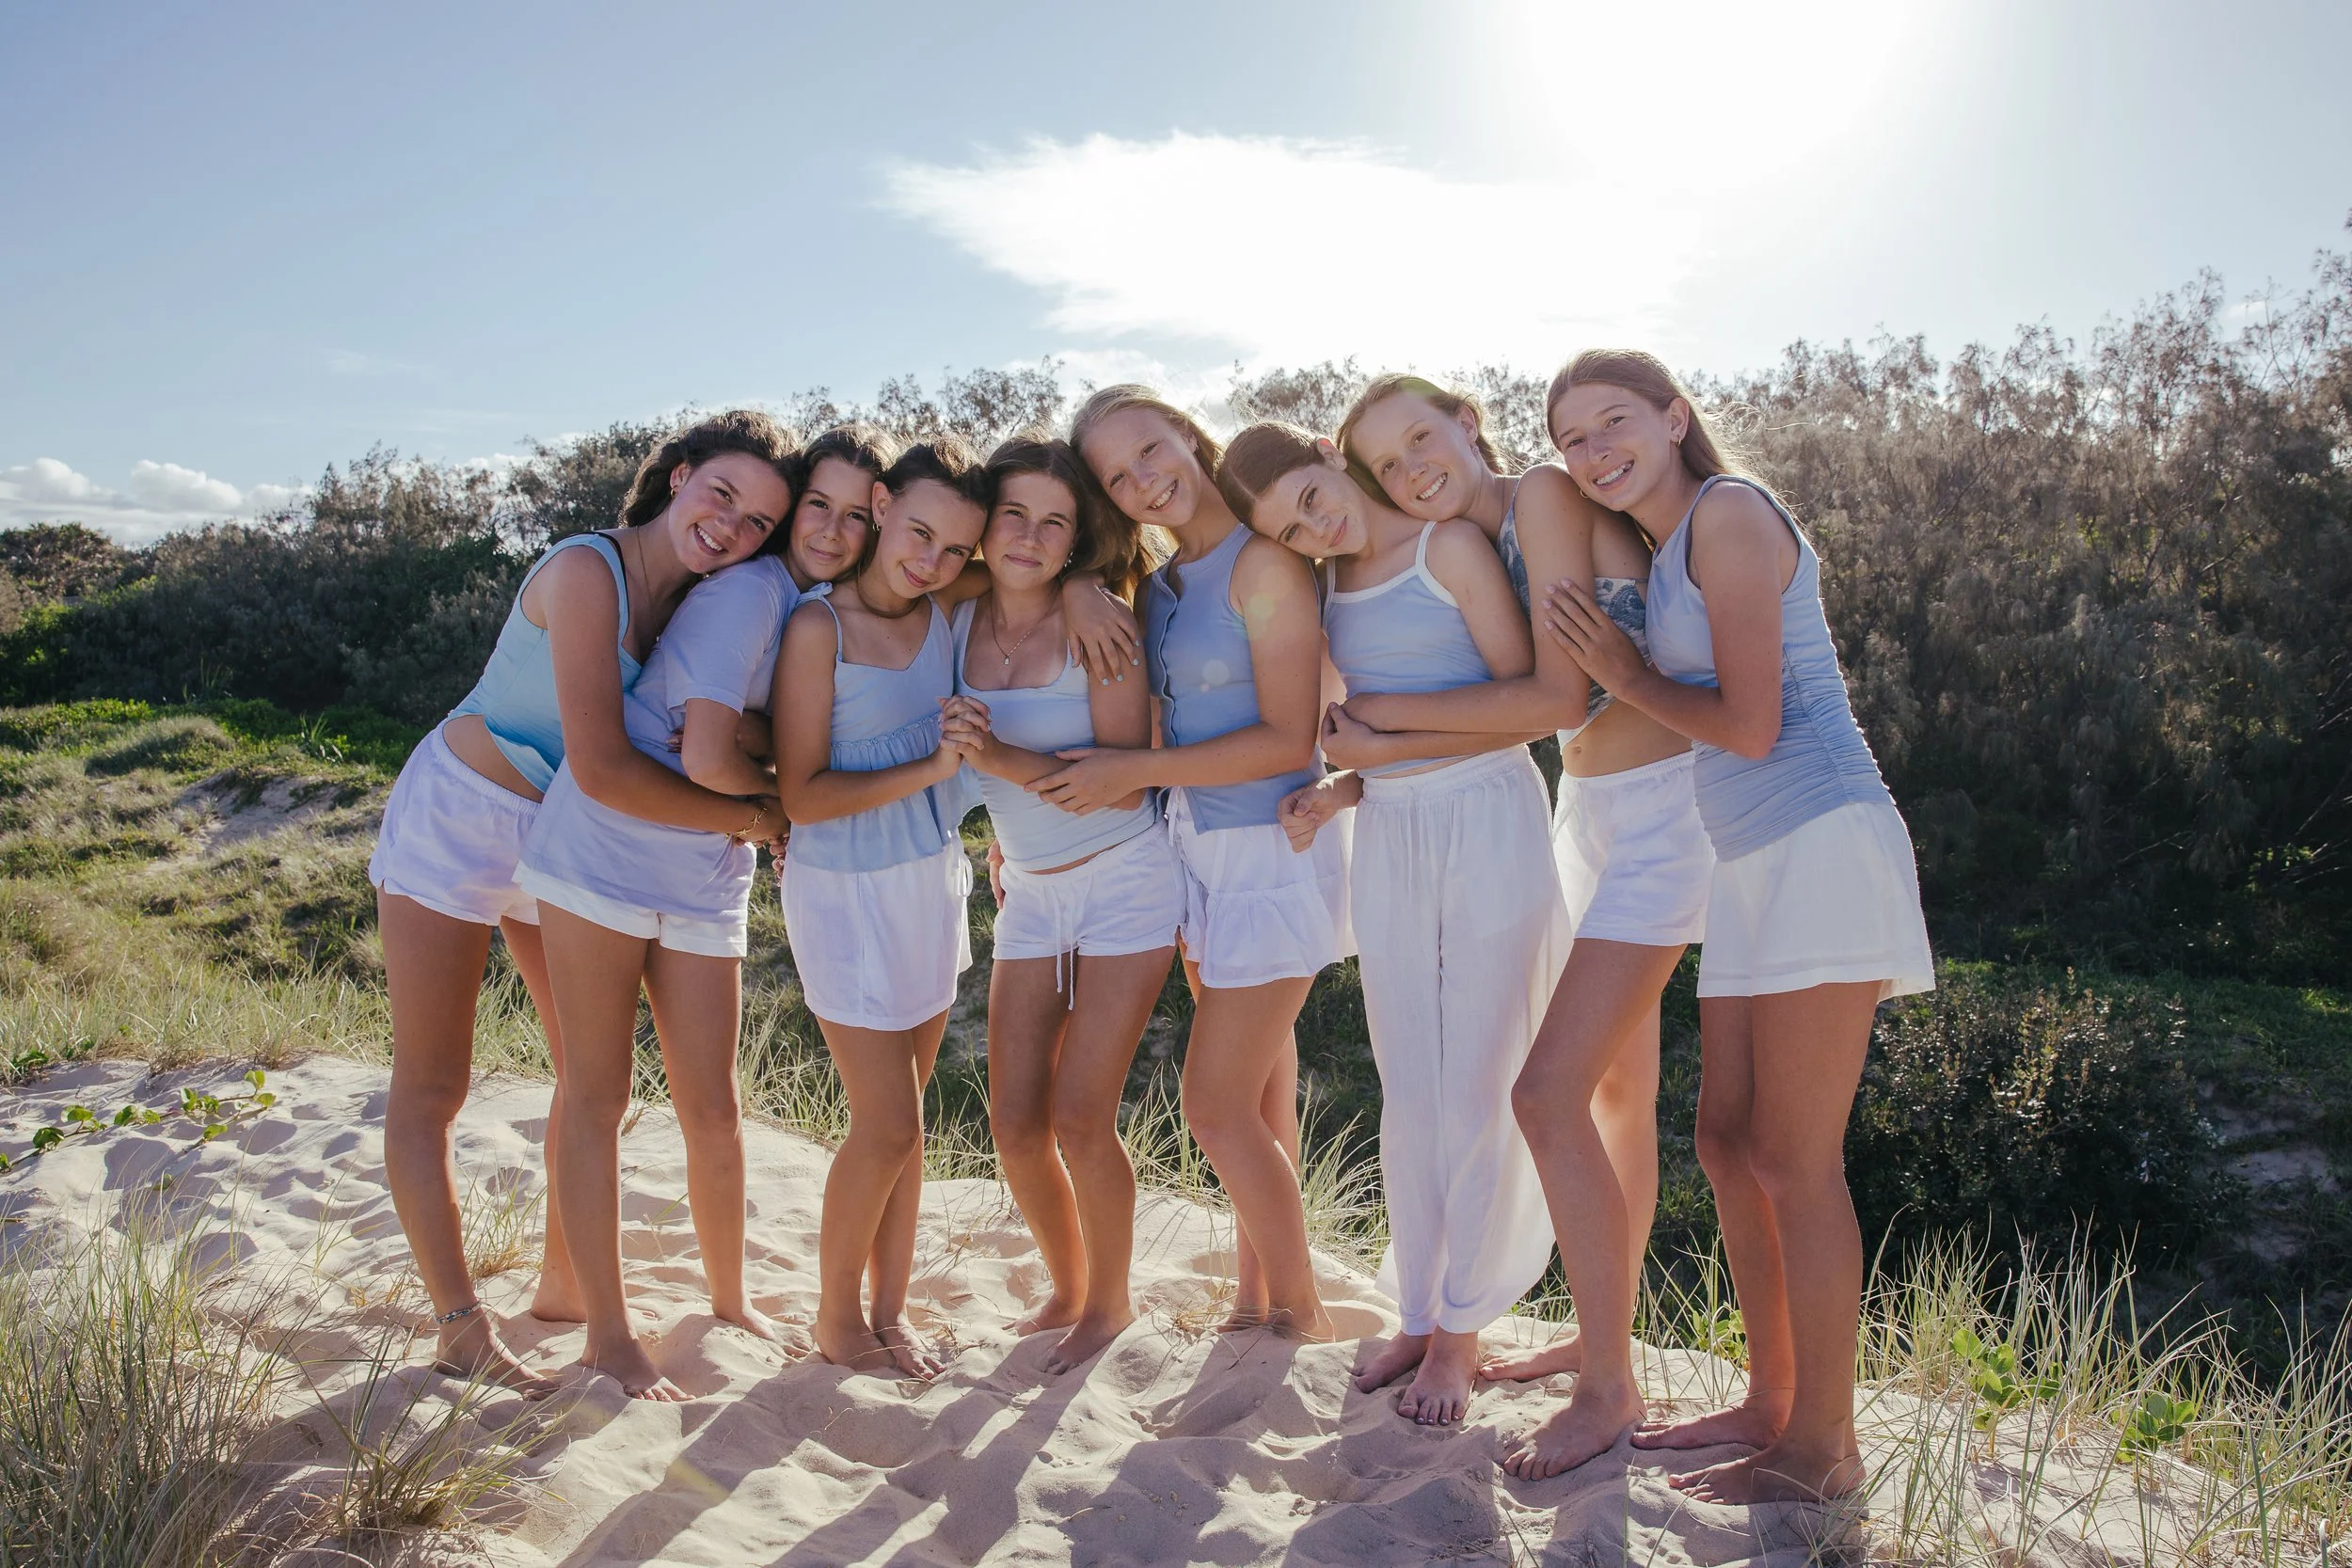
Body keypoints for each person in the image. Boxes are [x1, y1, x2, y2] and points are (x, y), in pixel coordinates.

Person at [1538, 349, 1933, 1502]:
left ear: (1675, 416)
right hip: (1748, 862)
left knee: (1794, 1159)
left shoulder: (1729, 514)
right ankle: (1767, 1400)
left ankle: (1823, 1449)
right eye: (1569, 438)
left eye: (1612, 420)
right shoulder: (1665, 552)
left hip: (1819, 838)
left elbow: (1751, 724)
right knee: (1724, 1141)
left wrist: (1616, 665)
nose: (1592, 450)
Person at [369, 410, 796, 1395]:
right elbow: (604, 765)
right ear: (679, 476)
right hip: (461, 815)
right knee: (434, 1083)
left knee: (585, 1073)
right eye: (721, 494)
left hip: (556, 835)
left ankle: (563, 1283)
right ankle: (458, 1321)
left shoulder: (701, 598)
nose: (732, 527)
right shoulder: (583, 571)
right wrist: (756, 816)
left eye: (758, 521)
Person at [1337, 374, 1714, 1476]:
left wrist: (1383, 722)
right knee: (1614, 1095)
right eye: (1386, 464)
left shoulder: (1541, 493)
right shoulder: (1467, 540)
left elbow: (1555, 701)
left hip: (1660, 809)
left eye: (1422, 437)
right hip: (1585, 808)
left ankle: (1604, 1382)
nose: (1413, 469)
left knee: (1546, 1090)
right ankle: (1609, 1333)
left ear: (1466, 415)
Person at [513, 431, 884, 1399]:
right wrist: (771, 808)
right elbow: (708, 756)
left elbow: (745, 736)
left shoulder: (809, 605)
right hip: (603, 851)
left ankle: (729, 1298)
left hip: (703, 873)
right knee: (596, 1095)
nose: (835, 531)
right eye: (818, 508)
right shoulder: (747, 593)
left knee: (713, 1106)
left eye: (858, 515)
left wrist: (762, 785)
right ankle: (606, 1332)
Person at [1224, 421, 1568, 1426]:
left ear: (1332, 455)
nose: (1313, 523)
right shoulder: (1330, 591)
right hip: (1395, 834)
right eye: (1290, 525)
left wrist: (1382, 736)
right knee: (1410, 1080)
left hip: (1489, 816)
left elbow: (1533, 708)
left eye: (1307, 491)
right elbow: (1371, 741)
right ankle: (1418, 1310)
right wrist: (1337, 792)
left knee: (1480, 1079)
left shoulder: (1445, 546)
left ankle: (1463, 1332)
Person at [1038, 386, 1348, 1341]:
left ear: (1188, 434)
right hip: (1195, 849)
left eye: (1151, 450)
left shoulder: (1265, 563)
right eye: (1117, 475)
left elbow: (1288, 736)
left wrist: (1133, 768)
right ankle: (1257, 1303)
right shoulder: (1162, 584)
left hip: (1270, 846)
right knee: (1257, 1093)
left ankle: (1300, 1313)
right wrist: (1073, 584)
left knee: (1212, 1104)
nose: (1143, 480)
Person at [934, 434, 1179, 1373]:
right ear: (984, 524)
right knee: (1013, 1121)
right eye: (1013, 514)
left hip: (1124, 874)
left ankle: (1108, 1306)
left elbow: (1122, 787)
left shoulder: (1102, 624)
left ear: (1077, 539)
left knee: (1082, 1115)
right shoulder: (953, 618)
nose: (1030, 536)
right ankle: (1069, 1284)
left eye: (1055, 522)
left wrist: (998, 763)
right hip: (1030, 889)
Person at [774, 437, 992, 1378]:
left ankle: (889, 1312)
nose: (930, 559)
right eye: (916, 531)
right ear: (880, 501)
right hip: (842, 888)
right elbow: (803, 796)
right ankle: (834, 1317)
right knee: (887, 1123)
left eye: (953, 549)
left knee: (914, 1119)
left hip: (931, 874)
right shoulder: (817, 627)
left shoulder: (949, 606)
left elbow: (1044, 566)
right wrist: (929, 767)